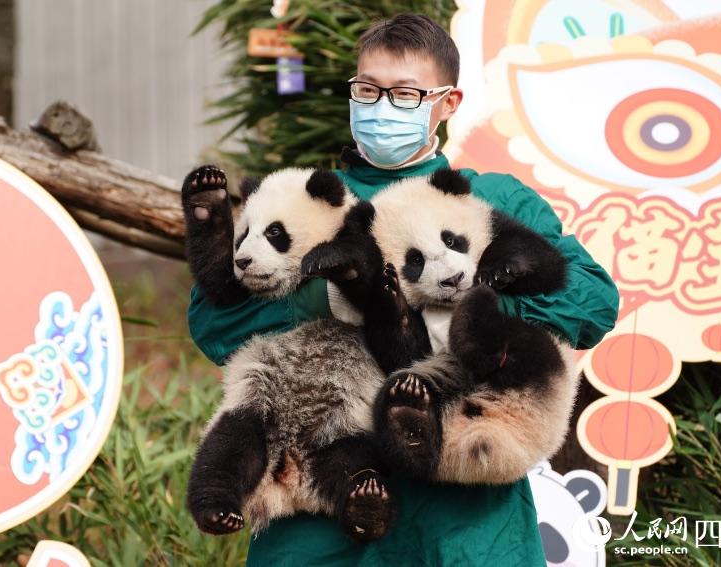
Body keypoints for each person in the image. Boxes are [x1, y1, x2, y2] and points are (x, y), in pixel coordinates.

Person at [187, 13, 619, 566]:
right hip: (322, 502)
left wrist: (461, 308)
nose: (381, 106)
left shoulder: (491, 200)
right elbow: (213, 323)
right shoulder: (299, 200)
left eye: (405, 93)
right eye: (368, 90)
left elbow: (593, 302)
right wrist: (318, 297)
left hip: (460, 511)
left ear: (448, 102)